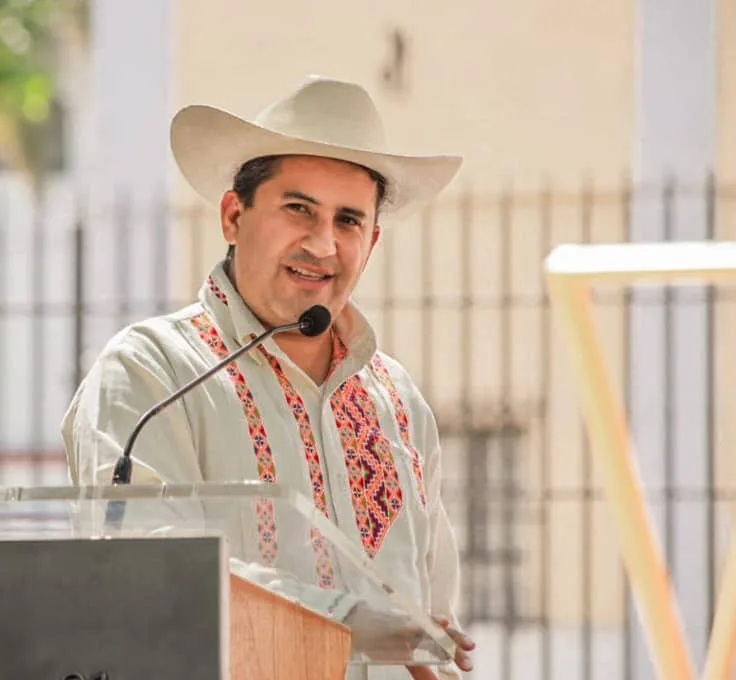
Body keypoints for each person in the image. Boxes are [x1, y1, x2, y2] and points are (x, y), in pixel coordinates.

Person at [61, 75, 476, 679]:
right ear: (234, 215)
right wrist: (341, 621)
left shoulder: (398, 400)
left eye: (349, 221)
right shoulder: (152, 372)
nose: (323, 244)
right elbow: (146, 571)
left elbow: (434, 611)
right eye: (298, 209)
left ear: (372, 241)